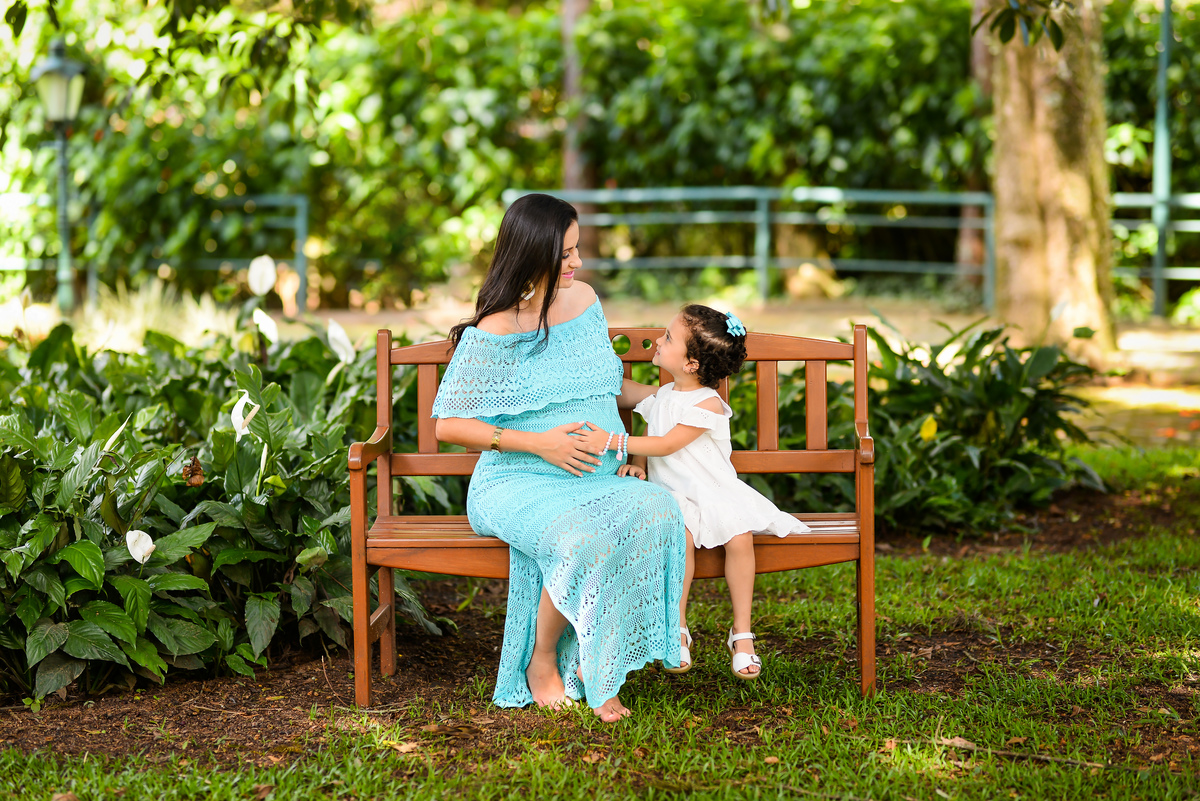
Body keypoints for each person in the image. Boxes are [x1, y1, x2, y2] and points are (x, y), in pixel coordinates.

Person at [430, 193, 686, 723]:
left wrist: (677, 405)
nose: (578, 263)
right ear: (533, 253)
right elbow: (449, 424)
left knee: (657, 508)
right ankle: (543, 660)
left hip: (594, 473)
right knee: (583, 538)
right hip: (516, 478)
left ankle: (602, 662)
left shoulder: (585, 300)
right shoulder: (495, 329)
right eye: (566, 253)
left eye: (577, 250)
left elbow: (603, 382)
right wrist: (540, 442)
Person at [599, 305, 811, 679]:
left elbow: (666, 444)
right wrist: (637, 462)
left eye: (667, 338)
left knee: (739, 535)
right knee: (678, 535)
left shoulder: (708, 403)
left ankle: (742, 634)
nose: (659, 341)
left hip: (713, 491)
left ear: (692, 363)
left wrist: (612, 441)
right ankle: (677, 629)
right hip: (674, 495)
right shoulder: (665, 395)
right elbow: (626, 396)